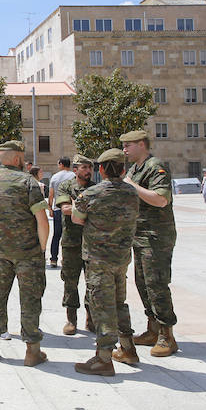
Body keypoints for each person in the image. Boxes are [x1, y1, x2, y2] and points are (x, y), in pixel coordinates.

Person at [0, 140, 50, 366]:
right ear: (18, 158)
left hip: (0, 252)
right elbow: (42, 220)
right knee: (30, 299)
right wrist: (43, 247)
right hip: (29, 252)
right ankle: (31, 351)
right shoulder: (28, 181)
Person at [71, 149, 140, 376]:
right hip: (121, 258)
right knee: (119, 303)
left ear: (100, 169)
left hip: (98, 260)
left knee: (101, 307)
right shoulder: (132, 193)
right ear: (123, 169)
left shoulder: (91, 194)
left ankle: (103, 359)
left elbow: (76, 219)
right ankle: (128, 348)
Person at [121, 130, 179, 357]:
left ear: (142, 144)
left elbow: (161, 199)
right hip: (139, 233)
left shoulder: (155, 166)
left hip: (156, 235)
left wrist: (130, 184)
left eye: (129, 145)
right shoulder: (136, 169)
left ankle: (167, 335)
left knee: (157, 283)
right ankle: (152, 329)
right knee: (142, 282)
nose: (125, 149)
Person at [54, 154, 96, 335]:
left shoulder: (97, 187)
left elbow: (75, 209)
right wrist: (91, 207)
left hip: (93, 243)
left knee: (92, 282)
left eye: (90, 168)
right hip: (71, 241)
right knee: (70, 281)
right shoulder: (66, 186)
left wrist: (77, 206)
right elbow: (65, 209)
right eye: (84, 167)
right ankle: (71, 319)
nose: (88, 171)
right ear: (75, 169)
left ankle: (91, 318)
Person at [47, 157, 74, 268]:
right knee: (70, 235)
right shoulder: (74, 176)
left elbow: (51, 194)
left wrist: (50, 208)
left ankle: (54, 259)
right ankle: (68, 259)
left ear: (61, 164)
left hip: (58, 209)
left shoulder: (55, 177)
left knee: (56, 235)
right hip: (70, 209)